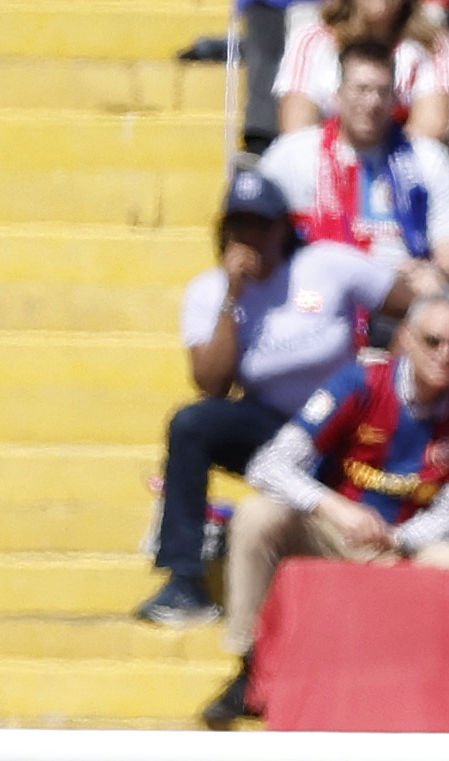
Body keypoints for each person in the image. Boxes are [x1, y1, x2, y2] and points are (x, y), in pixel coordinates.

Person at [203, 290, 449, 730]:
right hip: (334, 532)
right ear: (407, 337)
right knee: (258, 515)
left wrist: (400, 538)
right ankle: (250, 662)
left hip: (402, 545)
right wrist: (335, 508)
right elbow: (268, 465)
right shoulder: (361, 383)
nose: (445, 355)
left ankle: (445, 697)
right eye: (433, 341)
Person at [141, 171, 392, 628]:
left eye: (261, 225)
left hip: (344, 425)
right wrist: (233, 298)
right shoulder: (209, 292)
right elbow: (211, 383)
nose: (251, 237)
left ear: (282, 228)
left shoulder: (327, 265)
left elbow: (410, 303)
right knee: (192, 423)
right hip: (275, 428)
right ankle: (184, 578)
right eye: (240, 226)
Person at [264, 40, 449, 274]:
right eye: (362, 89)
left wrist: (427, 274)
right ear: (338, 95)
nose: (372, 102)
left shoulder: (427, 156)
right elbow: (253, 236)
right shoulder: (292, 154)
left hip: (402, 291)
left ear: (395, 99)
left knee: (442, 310)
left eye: (382, 91)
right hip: (314, 292)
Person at [274, 0, 449, 141]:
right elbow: (296, 129)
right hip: (324, 173)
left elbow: (429, 129)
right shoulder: (312, 42)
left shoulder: (432, 45)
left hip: (401, 175)